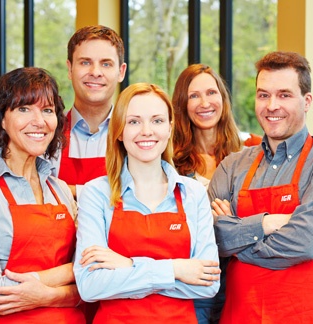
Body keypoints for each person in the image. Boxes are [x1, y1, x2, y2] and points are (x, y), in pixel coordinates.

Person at [208, 51, 313, 323]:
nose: (271, 105)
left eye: (284, 95)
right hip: (242, 315)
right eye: (263, 95)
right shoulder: (231, 167)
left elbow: (307, 243)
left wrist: (237, 235)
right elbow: (209, 240)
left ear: (307, 101)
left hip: (312, 315)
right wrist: (267, 224)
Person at [73, 83, 220, 323]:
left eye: (157, 121)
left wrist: (128, 265)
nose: (146, 131)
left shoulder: (192, 193)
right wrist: (177, 270)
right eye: (133, 122)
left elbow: (208, 284)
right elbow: (90, 286)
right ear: (119, 131)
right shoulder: (96, 193)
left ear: (170, 128)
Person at [0, 67, 85, 323]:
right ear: (1, 118)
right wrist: (71, 275)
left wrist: (40, 291)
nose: (39, 121)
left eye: (47, 110)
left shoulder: (60, 190)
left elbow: (93, 282)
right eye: (24, 109)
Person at [171, 63, 242, 324]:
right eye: (194, 96)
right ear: (182, 104)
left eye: (211, 93)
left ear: (222, 97)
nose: (205, 103)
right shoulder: (170, 162)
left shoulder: (244, 158)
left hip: (237, 281)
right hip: (191, 286)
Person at [52, 25, 127, 199]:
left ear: (121, 72)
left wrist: (72, 191)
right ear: (70, 69)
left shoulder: (134, 134)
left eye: (106, 64)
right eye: (85, 62)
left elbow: (140, 193)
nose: (95, 72)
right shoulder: (47, 134)